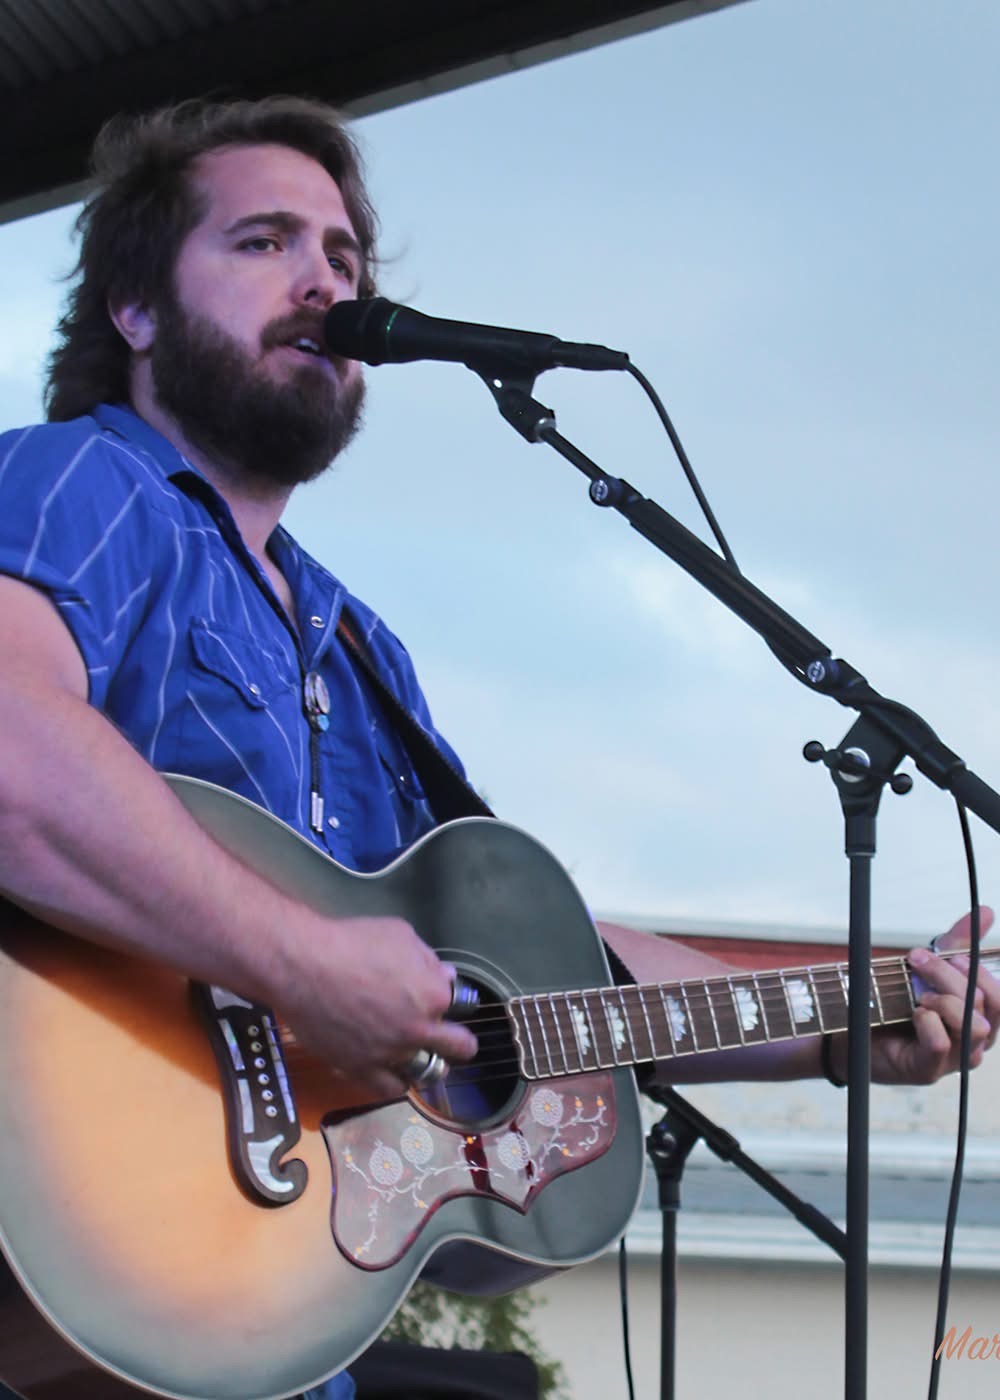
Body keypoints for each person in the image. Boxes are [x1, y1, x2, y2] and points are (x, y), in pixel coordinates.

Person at [0, 97, 997, 1400]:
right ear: (133, 309)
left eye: (346, 256)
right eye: (262, 242)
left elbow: (541, 969)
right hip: (84, 1245)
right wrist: (299, 962)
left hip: (273, 1334)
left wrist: (844, 1019)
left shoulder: (359, 645)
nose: (322, 277)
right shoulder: (83, 483)